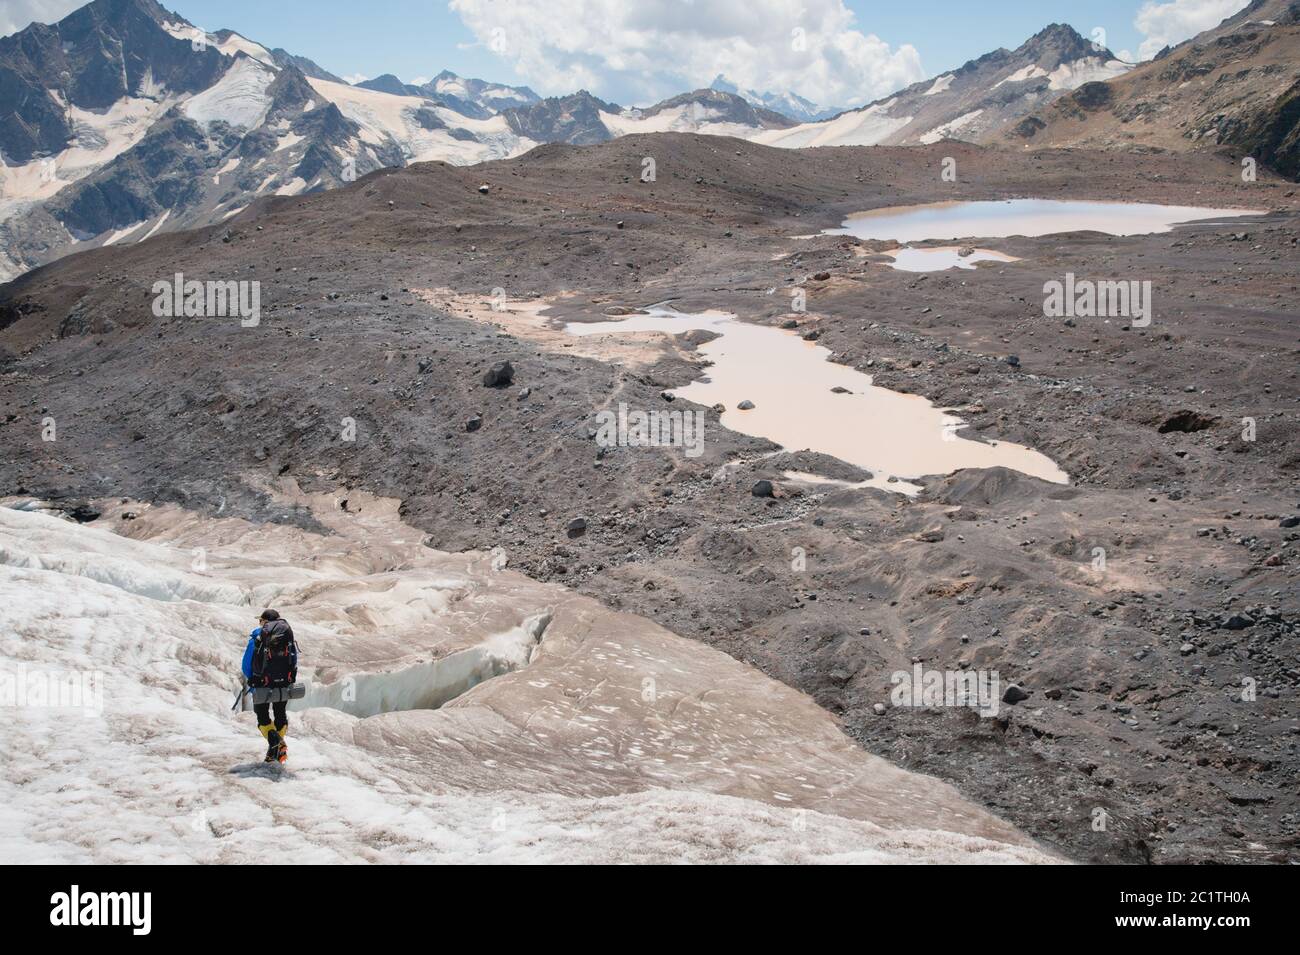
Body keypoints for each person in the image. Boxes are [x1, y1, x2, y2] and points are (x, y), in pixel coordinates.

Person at [241, 609, 299, 763]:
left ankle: (276, 744)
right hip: (283, 683)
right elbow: (293, 660)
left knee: (263, 718)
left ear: (264, 622)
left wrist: (253, 680)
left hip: (262, 684)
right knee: (280, 714)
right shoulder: (287, 635)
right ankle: (275, 751)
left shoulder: (257, 637)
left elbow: (246, 665)